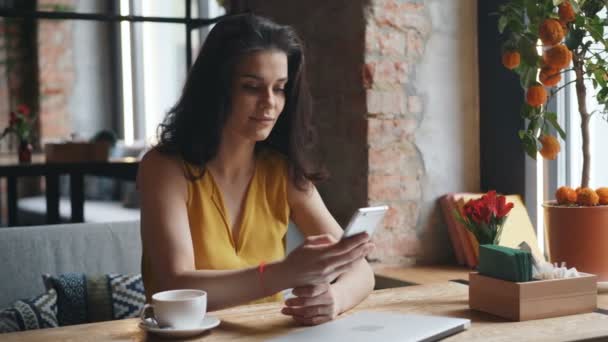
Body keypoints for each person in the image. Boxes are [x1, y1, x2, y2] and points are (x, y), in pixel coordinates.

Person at [138, 14, 375, 326]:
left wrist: (335, 299)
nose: (270, 103)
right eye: (252, 87)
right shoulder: (164, 168)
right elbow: (176, 284)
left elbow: (361, 270)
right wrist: (286, 273)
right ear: (215, 90)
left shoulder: (282, 171)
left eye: (279, 88)